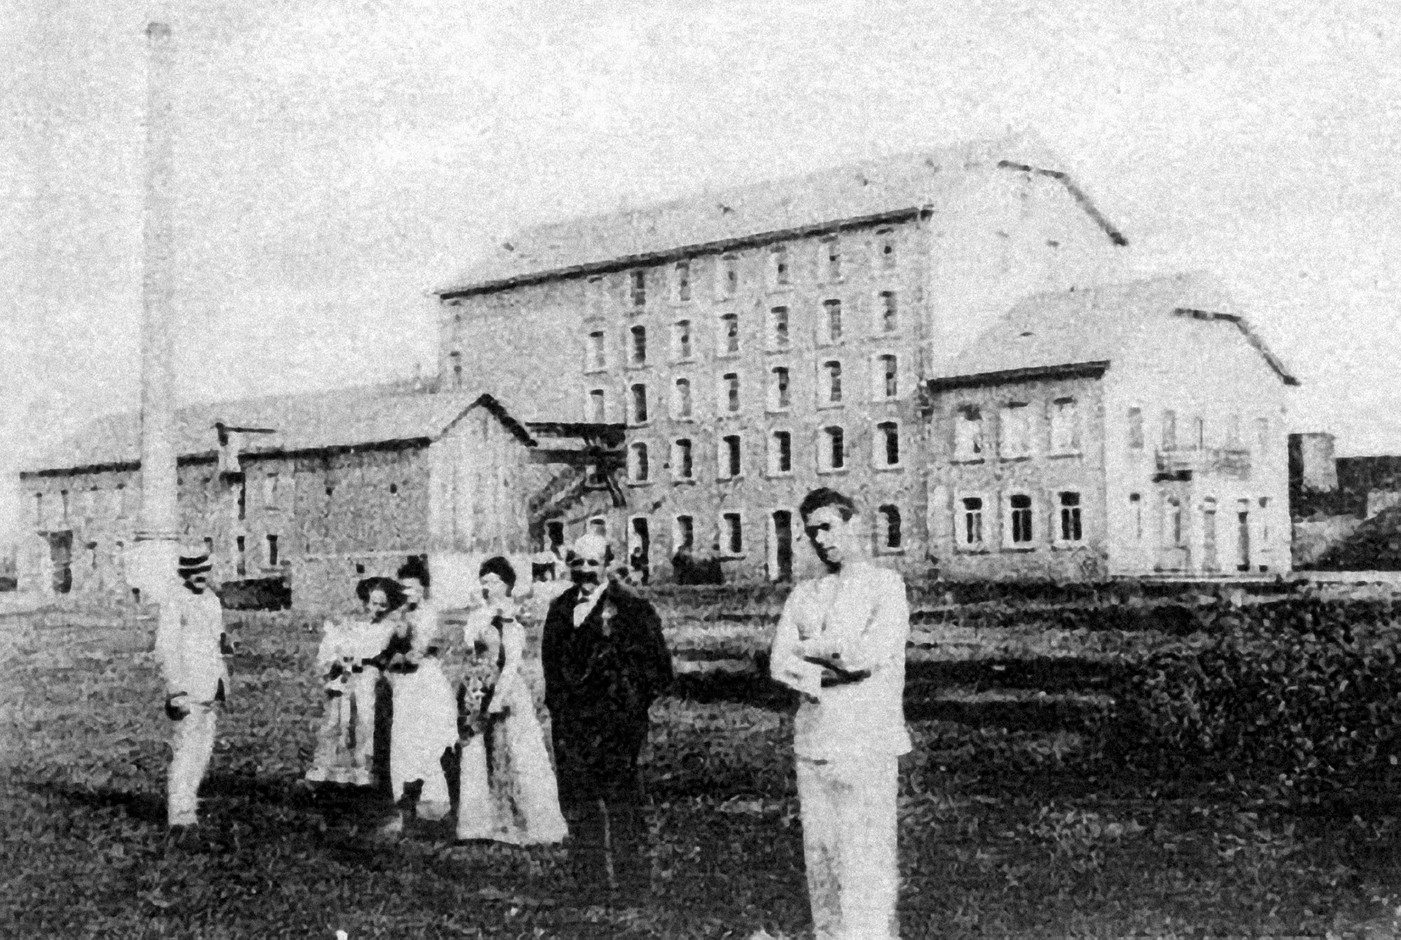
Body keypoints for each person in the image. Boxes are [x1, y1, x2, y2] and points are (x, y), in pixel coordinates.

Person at [768, 488, 912, 940]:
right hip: (814, 742)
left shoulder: (885, 587)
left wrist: (810, 657)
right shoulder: (804, 594)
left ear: (853, 525)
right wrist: (826, 659)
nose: (821, 540)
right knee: (823, 857)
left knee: (865, 855)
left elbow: (866, 658)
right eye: (812, 532)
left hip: (866, 739)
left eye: (829, 527)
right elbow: (778, 664)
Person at [541, 533, 673, 898]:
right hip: (571, 724)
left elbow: (658, 669)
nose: (584, 571)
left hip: (616, 724)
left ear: (608, 565)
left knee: (622, 801)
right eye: (577, 563)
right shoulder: (559, 607)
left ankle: (632, 884)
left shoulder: (631, 608)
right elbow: (550, 665)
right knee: (578, 801)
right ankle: (590, 883)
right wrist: (559, 709)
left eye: (592, 563)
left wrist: (628, 705)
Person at [456, 556, 568, 844]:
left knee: (514, 750)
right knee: (482, 749)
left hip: (506, 689)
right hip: (480, 683)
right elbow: (470, 645)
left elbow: (510, 661)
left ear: (506, 585)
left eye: (492, 581)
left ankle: (528, 820)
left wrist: (499, 697)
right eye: (483, 581)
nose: (486, 586)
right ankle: (485, 820)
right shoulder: (479, 613)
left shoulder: (512, 617)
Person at [154, 549, 232, 832]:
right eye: (193, 571)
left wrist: (222, 676)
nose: (200, 576)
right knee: (186, 748)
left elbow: (214, 641)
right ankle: (180, 812)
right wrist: (176, 690)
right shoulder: (175, 600)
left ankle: (191, 802)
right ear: (183, 573)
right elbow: (167, 648)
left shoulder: (211, 599)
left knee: (203, 749)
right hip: (187, 687)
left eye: (204, 569)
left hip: (209, 685)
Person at [378, 561, 457, 833]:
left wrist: (396, 654)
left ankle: (434, 804)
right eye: (403, 588)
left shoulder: (427, 615)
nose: (408, 592)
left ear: (423, 589)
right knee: (404, 741)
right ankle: (405, 805)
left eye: (413, 588)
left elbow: (416, 654)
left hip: (425, 682)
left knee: (430, 740)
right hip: (403, 684)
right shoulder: (398, 614)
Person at [305, 578, 399, 787]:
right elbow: (340, 645)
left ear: (390, 605)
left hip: (369, 675)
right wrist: (338, 661)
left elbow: (380, 655)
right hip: (348, 674)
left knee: (364, 719)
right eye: (373, 603)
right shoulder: (356, 625)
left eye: (383, 605)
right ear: (366, 602)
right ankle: (329, 766)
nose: (377, 609)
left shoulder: (389, 628)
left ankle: (362, 767)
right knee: (337, 719)